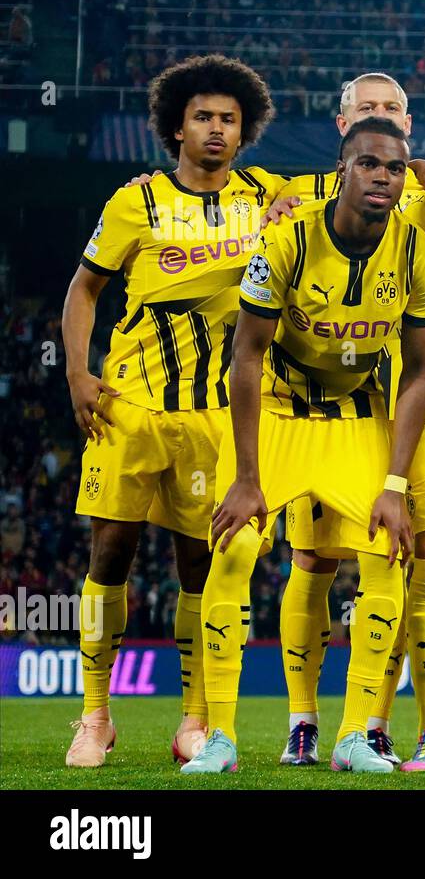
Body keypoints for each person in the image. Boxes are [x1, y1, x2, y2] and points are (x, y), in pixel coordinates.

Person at [180, 117, 425, 774]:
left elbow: (418, 373)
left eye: (394, 167)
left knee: (387, 551)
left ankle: (354, 736)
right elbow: (246, 357)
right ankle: (222, 738)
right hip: (276, 413)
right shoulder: (287, 241)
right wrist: (246, 476)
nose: (382, 176)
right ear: (343, 169)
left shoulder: (418, 252)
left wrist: (395, 485)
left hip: (357, 417)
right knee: (234, 548)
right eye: (368, 164)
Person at [63, 54, 279, 767]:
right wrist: (76, 372)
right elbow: (85, 288)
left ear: (244, 132)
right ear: (176, 127)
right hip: (130, 406)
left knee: (200, 565)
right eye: (203, 117)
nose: (216, 129)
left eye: (229, 119)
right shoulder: (138, 201)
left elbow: (361, 188)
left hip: (215, 416)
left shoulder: (269, 194)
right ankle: (95, 714)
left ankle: (195, 718)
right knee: (111, 553)